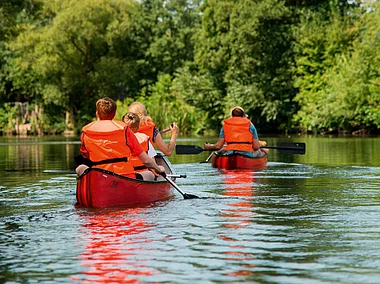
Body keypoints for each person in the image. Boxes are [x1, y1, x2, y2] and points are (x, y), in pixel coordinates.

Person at [76, 97, 165, 179]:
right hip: (124, 176)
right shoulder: (124, 130)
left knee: (80, 168)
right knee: (149, 174)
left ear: (97, 114)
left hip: (99, 175)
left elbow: (85, 156)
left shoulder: (85, 132)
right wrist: (158, 169)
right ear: (114, 114)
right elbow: (145, 160)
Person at [203, 106, 268, 157]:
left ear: (232, 116)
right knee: (261, 152)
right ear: (243, 116)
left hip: (231, 153)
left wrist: (208, 147)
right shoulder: (250, 125)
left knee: (219, 152)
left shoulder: (225, 126)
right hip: (246, 154)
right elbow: (256, 146)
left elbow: (218, 146)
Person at [122, 112, 158, 181]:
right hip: (143, 174)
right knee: (159, 169)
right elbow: (152, 162)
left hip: (125, 175)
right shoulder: (145, 139)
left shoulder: (119, 140)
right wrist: (159, 169)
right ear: (138, 127)